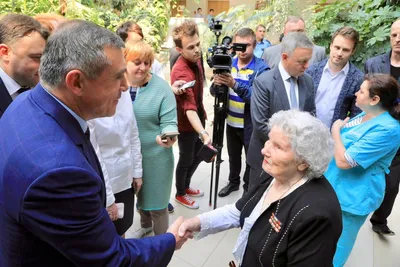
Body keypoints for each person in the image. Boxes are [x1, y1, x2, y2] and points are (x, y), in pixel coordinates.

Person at [0, 20, 189, 267]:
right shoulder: (59, 172)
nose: (124, 87)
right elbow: (111, 259)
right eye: (118, 77)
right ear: (76, 82)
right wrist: (169, 240)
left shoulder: (22, 105)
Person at [178, 110, 342, 267]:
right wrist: (197, 222)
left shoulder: (317, 215)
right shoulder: (275, 174)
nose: (264, 150)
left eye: (278, 147)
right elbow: (239, 210)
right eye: (269, 140)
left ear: (304, 161)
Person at [325, 74, 400, 267]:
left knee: (339, 243)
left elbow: (344, 161)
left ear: (375, 100)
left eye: (361, 91)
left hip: (354, 195)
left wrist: (336, 132)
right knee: (324, 236)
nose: (356, 93)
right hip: (335, 184)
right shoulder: (365, 114)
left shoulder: (388, 129)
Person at [247, 32, 316, 190]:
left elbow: (311, 115)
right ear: (285, 57)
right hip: (266, 158)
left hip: (295, 163)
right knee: (255, 206)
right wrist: (292, 146)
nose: (307, 66)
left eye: (308, 60)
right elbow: (261, 125)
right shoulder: (264, 82)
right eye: (302, 61)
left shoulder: (308, 81)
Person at [124, 41, 178, 238]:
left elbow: (170, 121)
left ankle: (162, 240)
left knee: (157, 202)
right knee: (138, 197)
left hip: (155, 156)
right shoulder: (117, 84)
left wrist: (168, 136)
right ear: (125, 61)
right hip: (127, 155)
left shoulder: (161, 88)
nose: (143, 67)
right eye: (137, 62)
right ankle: (145, 226)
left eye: (147, 62)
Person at [212, 28, 270, 197]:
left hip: (250, 124)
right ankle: (233, 182)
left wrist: (234, 84)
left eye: (247, 46)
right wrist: (217, 84)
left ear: (254, 45)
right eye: (239, 46)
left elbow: (257, 99)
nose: (242, 51)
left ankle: (247, 188)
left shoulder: (262, 69)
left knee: (251, 159)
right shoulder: (227, 63)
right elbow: (214, 92)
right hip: (230, 121)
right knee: (233, 156)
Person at [87, 88, 142, 237]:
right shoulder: (89, 102)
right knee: (106, 235)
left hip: (126, 178)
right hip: (106, 182)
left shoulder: (124, 94)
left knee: (122, 227)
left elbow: (133, 134)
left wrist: (137, 172)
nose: (125, 85)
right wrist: (109, 198)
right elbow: (94, 155)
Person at [364, 18, 400, 236]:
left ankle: (379, 220)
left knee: (392, 183)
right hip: (377, 129)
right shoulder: (373, 63)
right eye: (395, 35)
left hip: (398, 136)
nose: (398, 40)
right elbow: (365, 95)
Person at [171, 20, 210, 209]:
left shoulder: (196, 60)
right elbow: (189, 108)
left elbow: (197, 98)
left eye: (198, 44)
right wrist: (203, 132)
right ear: (179, 50)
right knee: (186, 159)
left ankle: (186, 186)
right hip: (186, 125)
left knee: (196, 156)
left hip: (198, 118)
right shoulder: (181, 72)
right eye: (190, 47)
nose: (196, 50)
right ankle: (180, 193)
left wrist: (203, 118)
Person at [306, 26, 363, 128]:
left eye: (345, 50)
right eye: (337, 47)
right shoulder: (312, 71)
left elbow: (356, 116)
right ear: (330, 46)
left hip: (334, 137)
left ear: (353, 51)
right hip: (307, 132)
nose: (339, 53)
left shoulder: (357, 79)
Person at [0, 13, 48, 118]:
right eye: (36, 57)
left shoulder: (47, 89)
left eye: (46, 58)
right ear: (5, 53)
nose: (45, 66)